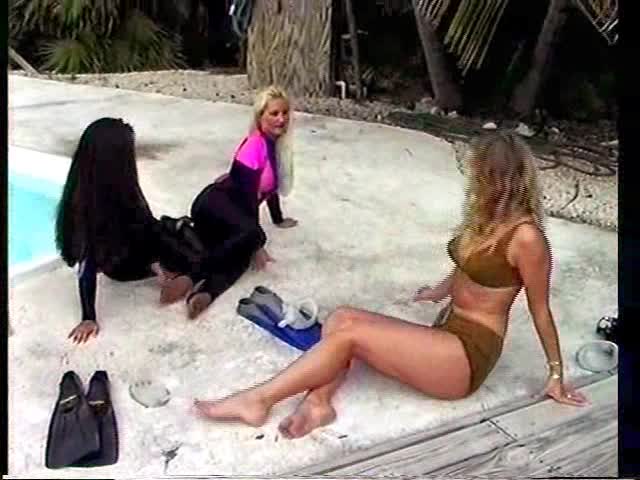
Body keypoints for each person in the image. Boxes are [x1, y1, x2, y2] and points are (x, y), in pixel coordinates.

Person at [192, 131, 588, 438]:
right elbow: (470, 267)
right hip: (446, 334)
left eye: (478, 173)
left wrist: (556, 375)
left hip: (468, 357)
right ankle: (319, 402)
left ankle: (258, 400)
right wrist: (439, 290)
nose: (471, 179)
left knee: (349, 337)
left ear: (497, 178)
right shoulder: (484, 220)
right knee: (340, 319)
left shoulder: (527, 238)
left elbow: (540, 309)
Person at [160, 85, 298, 319]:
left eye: (285, 113)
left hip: (233, 212)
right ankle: (193, 275)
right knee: (252, 239)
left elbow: (269, 190)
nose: (281, 119)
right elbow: (247, 196)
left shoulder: (278, 147)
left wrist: (278, 219)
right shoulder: (255, 145)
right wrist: (255, 240)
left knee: (242, 253)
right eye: (274, 113)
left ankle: (206, 293)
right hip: (213, 205)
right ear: (260, 116)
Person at [56, 118, 183, 344]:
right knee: (191, 253)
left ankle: (163, 265)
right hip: (121, 266)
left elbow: (144, 225)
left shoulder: (118, 185)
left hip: (138, 251)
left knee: (179, 234)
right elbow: (87, 261)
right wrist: (88, 317)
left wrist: (156, 262)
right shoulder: (86, 203)